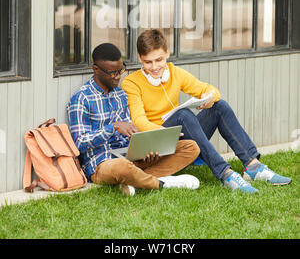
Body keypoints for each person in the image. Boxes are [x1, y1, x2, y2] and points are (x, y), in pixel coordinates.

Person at [122, 29, 292, 194]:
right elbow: (138, 120)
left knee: (220, 106)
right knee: (183, 115)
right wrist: (164, 132)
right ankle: (226, 174)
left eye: (158, 60)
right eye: (147, 62)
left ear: (167, 53)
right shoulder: (131, 83)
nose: (154, 67)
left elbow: (208, 89)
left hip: (179, 137)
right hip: (157, 141)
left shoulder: (175, 73)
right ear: (140, 58)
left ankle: (253, 166)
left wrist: (210, 97)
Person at [66, 43, 200, 197]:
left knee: (190, 147)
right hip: (102, 163)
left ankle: (133, 181)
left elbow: (130, 131)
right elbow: (79, 144)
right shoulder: (81, 99)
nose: (118, 77)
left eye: (120, 70)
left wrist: (145, 149)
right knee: (122, 167)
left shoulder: (121, 94)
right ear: (96, 69)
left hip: (129, 156)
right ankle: (162, 183)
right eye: (112, 73)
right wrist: (113, 127)